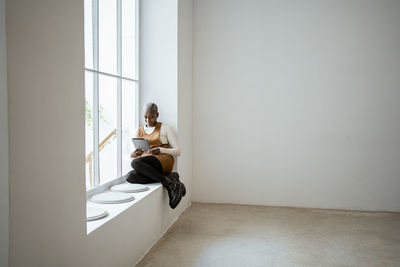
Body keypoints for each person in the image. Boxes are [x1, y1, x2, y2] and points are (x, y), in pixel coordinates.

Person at [126, 103, 186, 209]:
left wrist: (160, 150)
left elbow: (178, 151)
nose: (148, 120)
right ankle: (170, 180)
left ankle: (170, 184)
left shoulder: (165, 128)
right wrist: (133, 155)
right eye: (145, 117)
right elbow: (134, 155)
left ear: (157, 115)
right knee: (130, 177)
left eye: (151, 117)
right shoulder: (138, 130)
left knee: (135, 163)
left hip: (163, 160)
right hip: (147, 163)